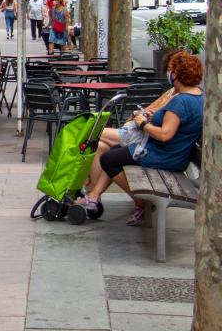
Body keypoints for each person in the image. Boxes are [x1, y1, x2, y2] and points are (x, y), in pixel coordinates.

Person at [77, 51, 204, 221]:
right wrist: (153, 117)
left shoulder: (181, 101)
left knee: (108, 159)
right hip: (175, 155)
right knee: (114, 151)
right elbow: (175, 123)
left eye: (171, 70)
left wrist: (143, 123)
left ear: (176, 74)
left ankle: (142, 202)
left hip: (164, 156)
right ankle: (94, 196)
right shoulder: (199, 96)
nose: (168, 73)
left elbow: (165, 135)